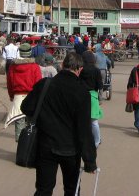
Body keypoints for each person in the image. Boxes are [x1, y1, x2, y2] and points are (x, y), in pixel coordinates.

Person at [21, 52, 97, 196]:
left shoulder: (44, 84)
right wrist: (90, 161)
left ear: (62, 65)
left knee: (43, 189)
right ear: (80, 69)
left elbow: (26, 107)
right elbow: (84, 130)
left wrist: (43, 116)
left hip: (46, 145)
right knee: (72, 190)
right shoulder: (82, 92)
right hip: (71, 149)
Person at [5, 43, 42, 141]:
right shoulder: (35, 67)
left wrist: (11, 95)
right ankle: (29, 146)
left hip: (18, 97)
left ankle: (20, 145)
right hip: (31, 97)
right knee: (31, 123)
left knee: (19, 122)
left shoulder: (13, 67)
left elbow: (9, 83)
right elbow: (38, 84)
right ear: (30, 52)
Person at [79, 51, 103, 148]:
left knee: (83, 121)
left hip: (81, 95)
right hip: (93, 96)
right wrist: (100, 98)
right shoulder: (96, 70)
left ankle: (85, 139)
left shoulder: (80, 70)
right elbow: (100, 85)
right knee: (94, 121)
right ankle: (97, 141)